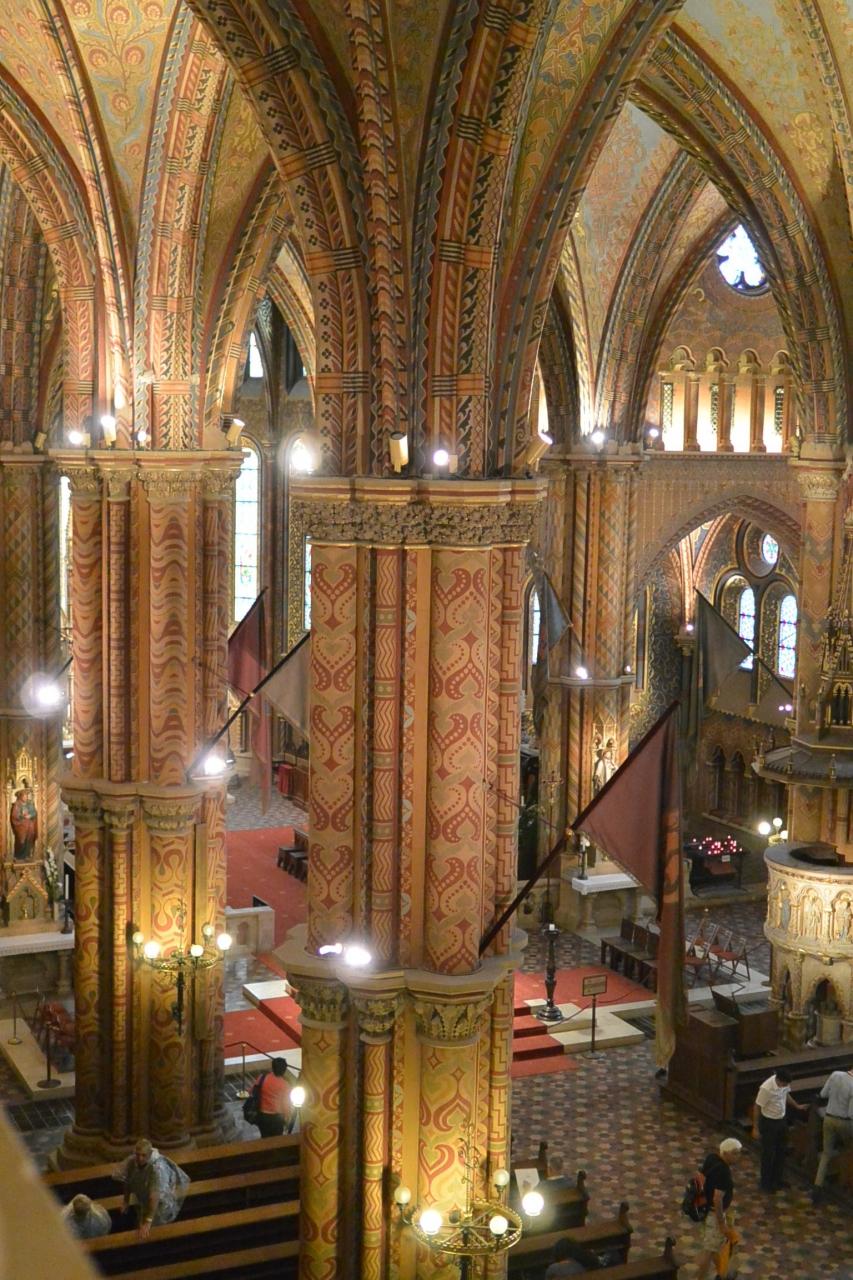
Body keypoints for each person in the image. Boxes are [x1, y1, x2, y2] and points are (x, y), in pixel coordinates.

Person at [117, 1139, 190, 1238]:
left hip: (159, 1205)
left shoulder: (156, 1169)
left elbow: (154, 1197)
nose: (140, 1158)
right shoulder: (132, 1162)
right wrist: (126, 1201)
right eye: (137, 1155)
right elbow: (127, 1182)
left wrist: (148, 1222)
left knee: (153, 1232)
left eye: (143, 1155)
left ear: (150, 1154)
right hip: (143, 1198)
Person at [693, 1137, 741, 1280]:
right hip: (714, 1215)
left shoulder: (711, 1158)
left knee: (714, 1245)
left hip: (704, 1209)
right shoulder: (724, 1172)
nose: (738, 1156)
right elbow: (717, 1199)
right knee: (709, 1250)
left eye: (739, 1152)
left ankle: (723, 1273)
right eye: (735, 1153)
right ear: (725, 1153)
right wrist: (721, 1223)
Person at [755, 1066, 808, 1192]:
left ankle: (777, 1179)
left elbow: (786, 1094)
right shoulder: (766, 1088)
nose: (785, 1086)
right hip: (768, 1122)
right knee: (768, 1154)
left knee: (781, 1151)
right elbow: (757, 1106)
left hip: (781, 1120)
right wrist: (755, 1128)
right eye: (783, 1084)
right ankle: (765, 1183)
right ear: (778, 1080)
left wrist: (797, 1106)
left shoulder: (784, 1084)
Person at [812, 1064, 853, 1204]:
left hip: (828, 1118)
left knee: (826, 1153)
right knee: (848, 1150)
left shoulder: (835, 1074)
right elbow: (851, 1113)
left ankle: (817, 1187)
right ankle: (844, 1179)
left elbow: (823, 1094)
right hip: (844, 1122)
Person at [254, 1056, 293, 1138]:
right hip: (276, 1118)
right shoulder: (285, 1085)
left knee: (264, 1137)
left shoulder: (262, 1078)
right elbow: (286, 1105)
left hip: (262, 1115)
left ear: (272, 1067)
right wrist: (288, 1118)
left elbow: (252, 1091)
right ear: (284, 1070)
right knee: (276, 1140)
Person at [10, 782, 37, 861]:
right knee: (21, 841)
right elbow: (14, 816)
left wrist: (30, 815)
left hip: (30, 826)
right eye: (24, 796)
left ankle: (27, 855)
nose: (26, 797)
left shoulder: (30, 804)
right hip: (21, 827)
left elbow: (34, 812)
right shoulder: (17, 804)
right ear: (20, 796)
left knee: (29, 840)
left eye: (27, 796)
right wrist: (22, 817)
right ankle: (19, 856)